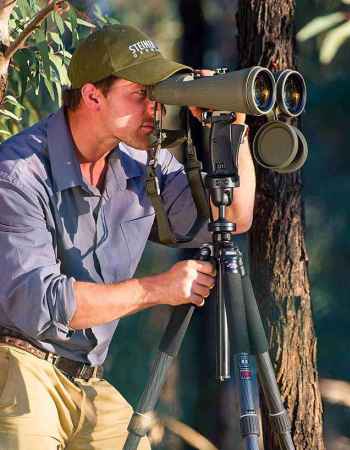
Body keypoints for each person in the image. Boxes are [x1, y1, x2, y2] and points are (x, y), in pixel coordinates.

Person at [0, 24, 255, 450]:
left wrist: (231, 129)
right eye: (140, 94)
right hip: (17, 365)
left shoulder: (141, 164)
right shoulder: (18, 174)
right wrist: (158, 289)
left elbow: (233, 216)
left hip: (87, 379)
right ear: (92, 96)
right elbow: (42, 305)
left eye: (158, 94)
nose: (154, 108)